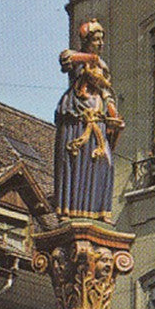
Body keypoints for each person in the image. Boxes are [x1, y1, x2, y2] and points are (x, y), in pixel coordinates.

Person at [53, 20, 124, 220]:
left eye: (102, 40)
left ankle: (98, 211)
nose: (101, 44)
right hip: (77, 115)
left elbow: (106, 93)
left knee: (104, 163)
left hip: (98, 117)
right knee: (75, 162)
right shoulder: (79, 59)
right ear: (86, 42)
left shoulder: (102, 67)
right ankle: (68, 210)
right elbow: (66, 58)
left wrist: (114, 114)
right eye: (95, 40)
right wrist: (91, 59)